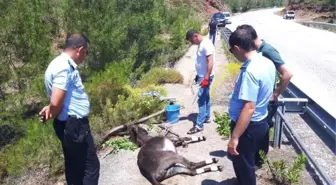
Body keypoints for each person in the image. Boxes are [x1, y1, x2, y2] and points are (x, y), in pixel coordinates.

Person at [39, 33, 100, 185]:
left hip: (68, 125)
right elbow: (56, 100)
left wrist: (52, 108)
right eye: (86, 52)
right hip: (75, 126)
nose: (85, 56)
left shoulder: (56, 63)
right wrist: (53, 108)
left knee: (74, 167)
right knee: (90, 167)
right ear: (79, 49)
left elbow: (59, 97)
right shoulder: (64, 67)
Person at [235, 24, 293, 167]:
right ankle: (255, 159)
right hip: (260, 98)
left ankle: (258, 161)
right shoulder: (258, 51)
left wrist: (275, 93)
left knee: (262, 129)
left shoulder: (267, 50)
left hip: (266, 100)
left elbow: (287, 74)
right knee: (260, 129)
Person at [227, 28, 276, 185]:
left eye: (231, 50)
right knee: (249, 164)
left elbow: (249, 108)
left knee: (244, 167)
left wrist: (234, 137)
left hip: (248, 127)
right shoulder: (267, 62)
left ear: (237, 48)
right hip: (261, 121)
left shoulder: (250, 70)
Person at [185, 29, 215, 134]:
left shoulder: (205, 44)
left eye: (191, 40)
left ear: (195, 36)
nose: (191, 43)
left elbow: (210, 61)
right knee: (206, 97)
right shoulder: (201, 44)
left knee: (201, 100)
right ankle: (206, 117)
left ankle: (199, 125)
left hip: (205, 77)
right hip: (202, 76)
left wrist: (206, 77)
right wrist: (198, 75)